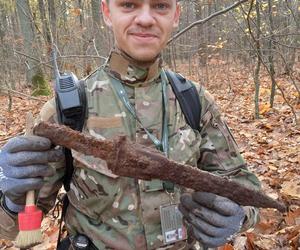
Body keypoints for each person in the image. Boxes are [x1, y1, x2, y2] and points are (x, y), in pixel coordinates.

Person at [0, 0, 261, 249]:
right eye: (128, 4)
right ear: (106, 12)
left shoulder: (194, 102)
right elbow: (12, 229)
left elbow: (243, 185)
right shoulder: (69, 108)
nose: (145, 19)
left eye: (160, 6)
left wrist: (239, 216)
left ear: (176, 15)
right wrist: (11, 198)